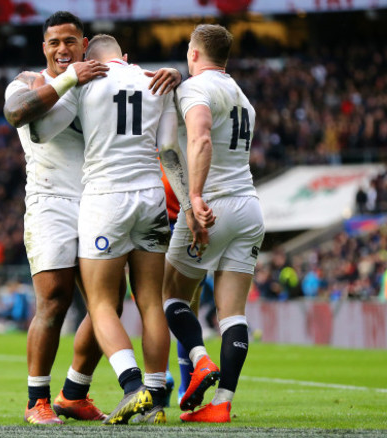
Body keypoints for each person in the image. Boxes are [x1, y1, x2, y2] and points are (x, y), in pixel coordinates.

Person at [3, 12, 180, 425]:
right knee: (55, 298)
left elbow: (136, 93)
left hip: (98, 201)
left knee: (111, 303)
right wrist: (70, 79)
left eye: (70, 41)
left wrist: (166, 75)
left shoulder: (102, 83)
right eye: (54, 43)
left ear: (85, 44)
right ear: (43, 48)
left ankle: (74, 393)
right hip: (50, 200)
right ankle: (36, 401)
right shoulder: (29, 81)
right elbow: (16, 114)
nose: (62, 49)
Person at [162, 24, 265, 423]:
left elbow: (200, 137)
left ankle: (200, 359)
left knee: (169, 294)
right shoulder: (242, 96)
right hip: (250, 208)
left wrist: (197, 197)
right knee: (232, 314)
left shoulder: (195, 89)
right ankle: (221, 403)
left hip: (214, 206)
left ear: (193, 54)